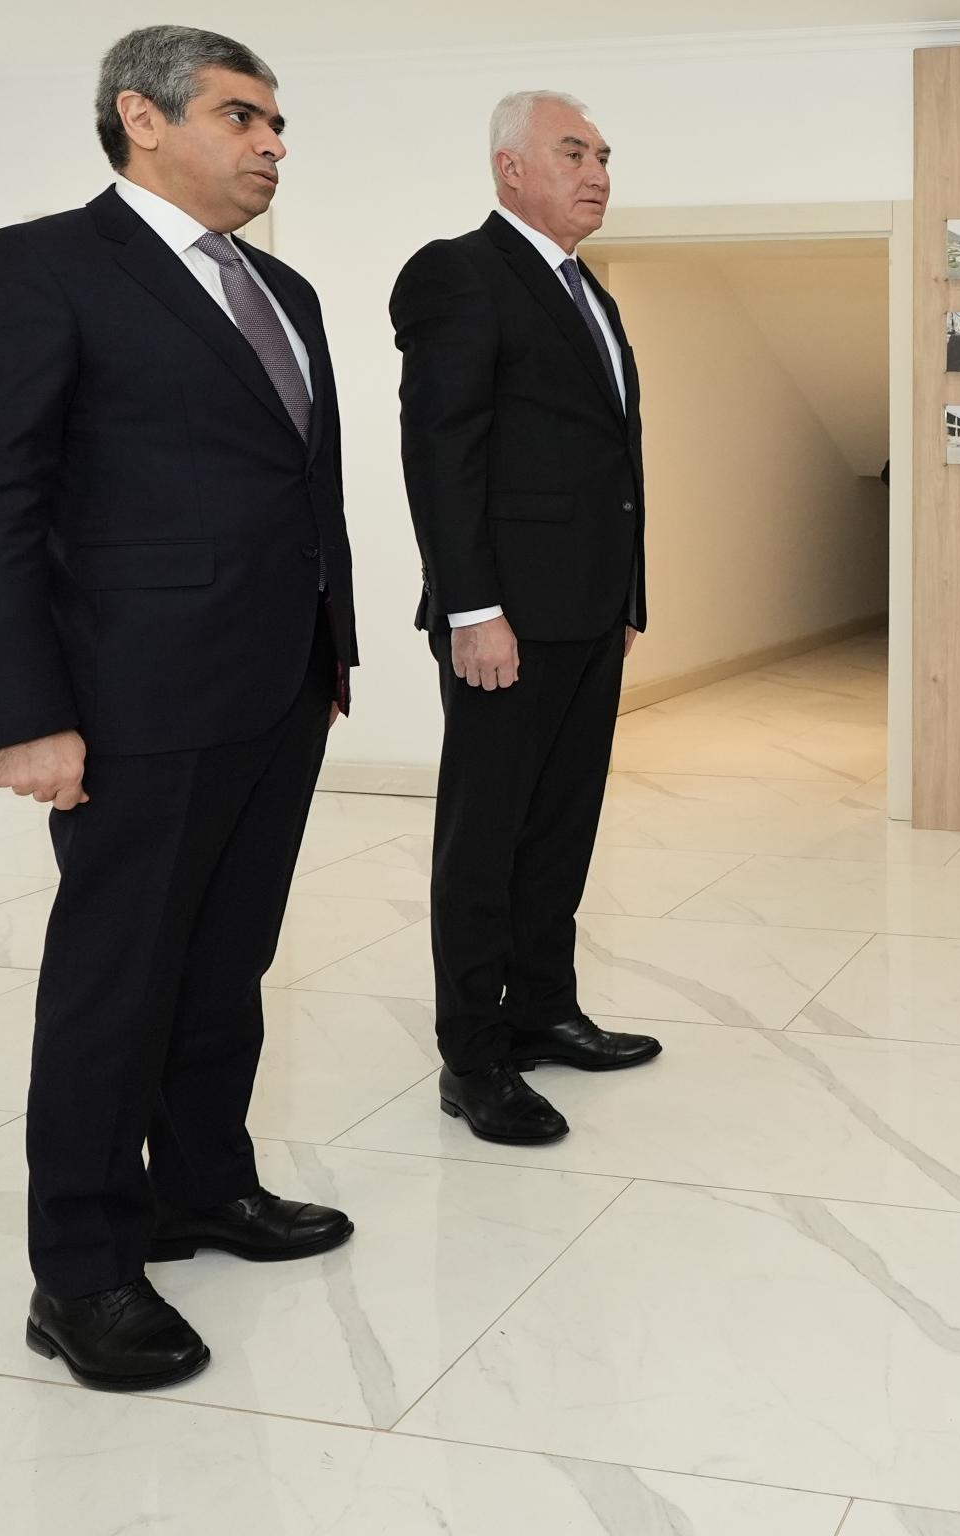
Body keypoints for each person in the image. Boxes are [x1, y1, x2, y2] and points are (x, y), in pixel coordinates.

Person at [0, 25, 360, 1394]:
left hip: (279, 684)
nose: (272, 144)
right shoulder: (35, 266)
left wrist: (332, 648)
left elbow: (301, 488)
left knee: (226, 959)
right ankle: (83, 1271)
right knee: (117, 981)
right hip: (134, 696)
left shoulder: (283, 287)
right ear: (143, 116)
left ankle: (203, 1186)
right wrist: (25, 708)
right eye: (243, 116)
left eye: (277, 124)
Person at [391, 90, 663, 1151]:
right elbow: (441, 449)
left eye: (604, 155)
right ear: (510, 167)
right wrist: (474, 608)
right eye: (573, 152)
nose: (598, 172)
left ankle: (544, 1007)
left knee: (561, 822)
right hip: (503, 618)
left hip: (590, 612)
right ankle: (473, 1056)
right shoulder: (458, 272)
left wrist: (627, 595)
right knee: (486, 836)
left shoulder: (591, 291)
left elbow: (610, 461)